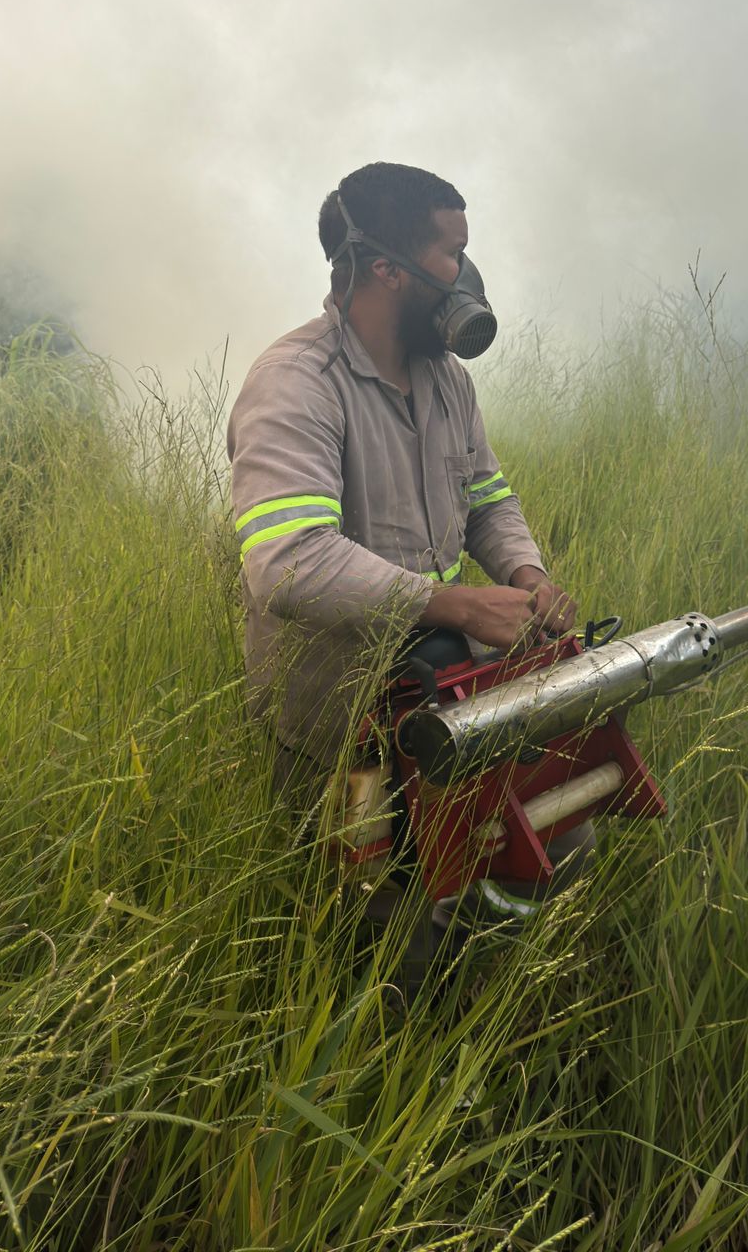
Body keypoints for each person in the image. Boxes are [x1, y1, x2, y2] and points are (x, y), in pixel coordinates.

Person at [227, 161, 594, 989]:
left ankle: (482, 1020)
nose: (465, 274)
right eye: (451, 255)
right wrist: (447, 600)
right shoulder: (296, 384)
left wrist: (527, 573)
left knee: (527, 845)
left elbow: (488, 497)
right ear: (386, 268)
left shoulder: (448, 382)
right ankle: (397, 1070)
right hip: (339, 719)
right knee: (377, 917)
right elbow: (287, 561)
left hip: (447, 690)